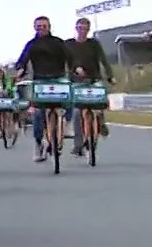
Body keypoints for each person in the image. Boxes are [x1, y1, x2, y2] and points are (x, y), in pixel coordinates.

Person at [10, 15, 71, 163]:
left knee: (70, 98)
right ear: (34, 28)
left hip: (58, 79)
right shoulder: (32, 44)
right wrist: (20, 70)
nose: (41, 28)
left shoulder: (58, 42)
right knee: (37, 112)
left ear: (49, 27)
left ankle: (67, 125)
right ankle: (38, 143)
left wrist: (76, 68)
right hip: (40, 81)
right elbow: (23, 59)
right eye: (39, 26)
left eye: (44, 26)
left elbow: (70, 58)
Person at [63, 16, 114, 156]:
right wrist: (75, 68)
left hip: (94, 78)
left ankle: (101, 122)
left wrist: (110, 75)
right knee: (77, 112)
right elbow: (66, 60)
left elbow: (103, 60)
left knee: (100, 99)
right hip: (76, 81)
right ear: (76, 28)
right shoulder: (69, 44)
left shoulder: (94, 44)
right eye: (80, 28)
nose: (82, 31)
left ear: (88, 30)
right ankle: (78, 145)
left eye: (85, 28)